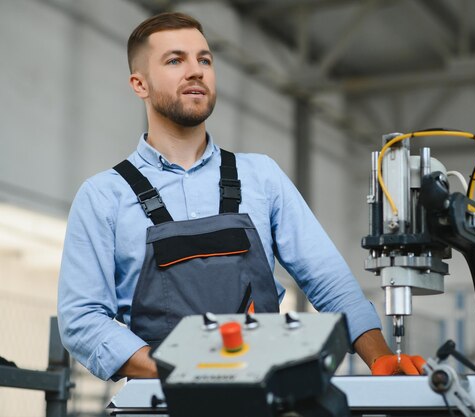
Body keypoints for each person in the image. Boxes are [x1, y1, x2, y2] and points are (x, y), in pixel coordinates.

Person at [57, 11, 423, 381]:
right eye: (175, 60)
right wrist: (177, 370)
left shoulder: (261, 177)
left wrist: (380, 359)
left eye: (204, 60)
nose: (196, 70)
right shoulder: (104, 196)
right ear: (140, 84)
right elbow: (82, 320)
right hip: (161, 404)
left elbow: (329, 281)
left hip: (264, 399)